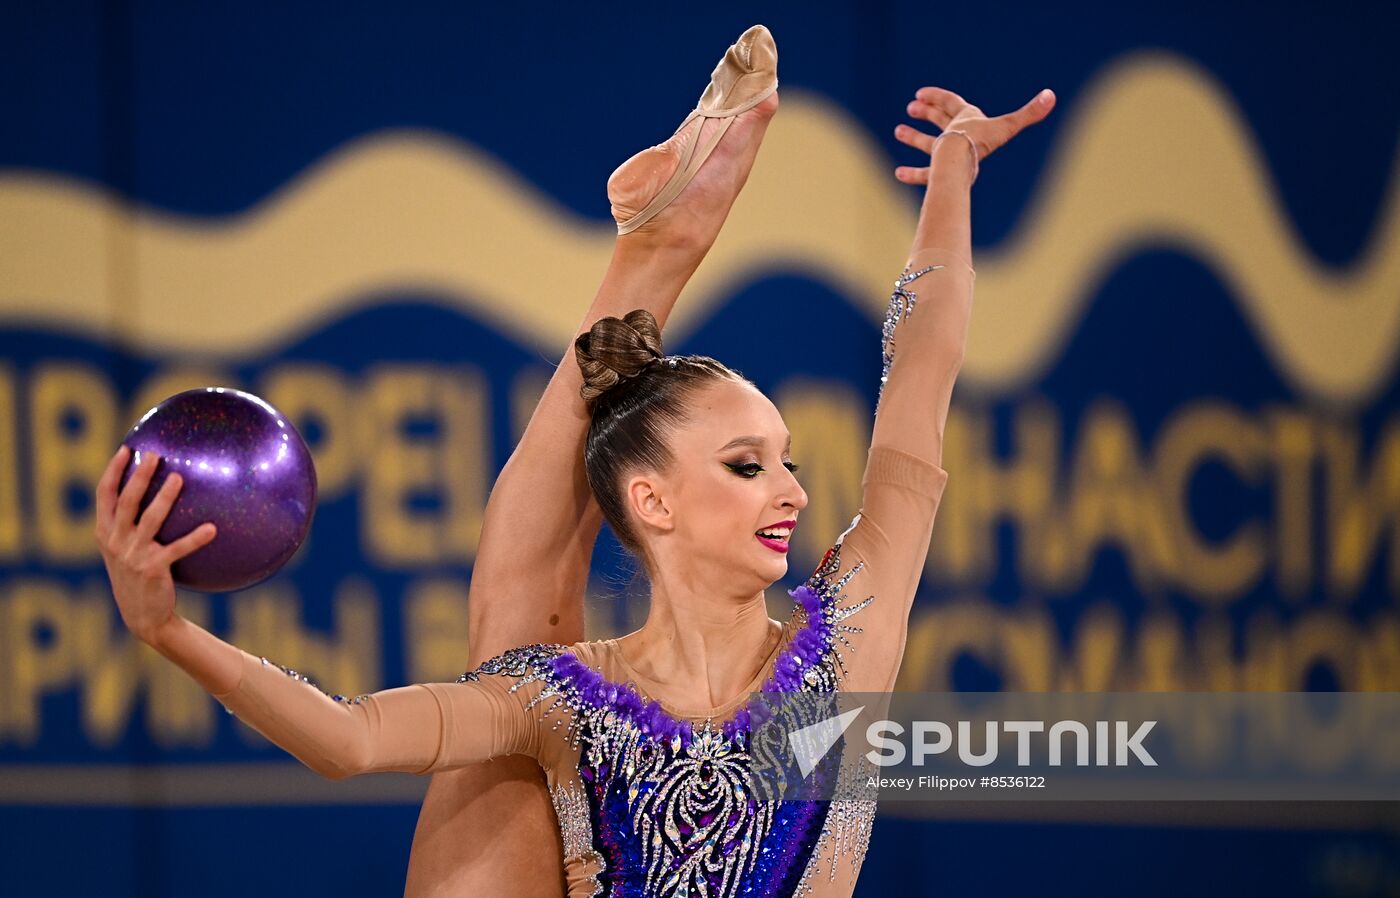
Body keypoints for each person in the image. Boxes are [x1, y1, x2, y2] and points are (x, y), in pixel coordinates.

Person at [95, 22, 1056, 897]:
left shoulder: (847, 639)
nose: (794, 493)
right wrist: (166, 632)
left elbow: (921, 378)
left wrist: (955, 181)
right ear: (652, 500)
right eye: (747, 466)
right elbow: (350, 739)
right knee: (510, 638)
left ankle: (648, 260)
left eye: (787, 462)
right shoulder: (559, 696)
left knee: (512, 611)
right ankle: (651, 255)